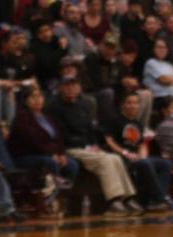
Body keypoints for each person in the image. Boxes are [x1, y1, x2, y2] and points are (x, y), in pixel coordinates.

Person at [49, 75, 141, 217]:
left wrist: (94, 144)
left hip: (87, 147)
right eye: (67, 85)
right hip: (70, 148)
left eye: (74, 85)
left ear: (79, 87)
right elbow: (59, 134)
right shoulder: (55, 107)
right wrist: (85, 146)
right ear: (61, 88)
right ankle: (113, 201)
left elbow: (92, 128)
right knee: (105, 161)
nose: (71, 89)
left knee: (114, 158)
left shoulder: (85, 103)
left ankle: (127, 197)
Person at [104, 92, 173, 211]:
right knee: (145, 164)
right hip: (122, 159)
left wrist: (142, 155)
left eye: (135, 103)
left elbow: (142, 144)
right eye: (129, 103)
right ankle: (162, 199)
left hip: (137, 158)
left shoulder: (138, 123)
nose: (132, 106)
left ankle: (155, 202)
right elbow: (109, 141)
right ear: (123, 105)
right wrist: (125, 153)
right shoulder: (115, 121)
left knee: (165, 163)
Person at [7, 85, 79, 188]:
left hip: (46, 154)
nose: (37, 100)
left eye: (40, 96)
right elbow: (34, 141)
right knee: (50, 162)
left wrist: (61, 153)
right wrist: (52, 154)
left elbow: (58, 138)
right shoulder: (22, 117)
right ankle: (52, 193)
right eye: (33, 97)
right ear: (25, 100)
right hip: (25, 156)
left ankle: (63, 192)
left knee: (72, 164)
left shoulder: (46, 117)